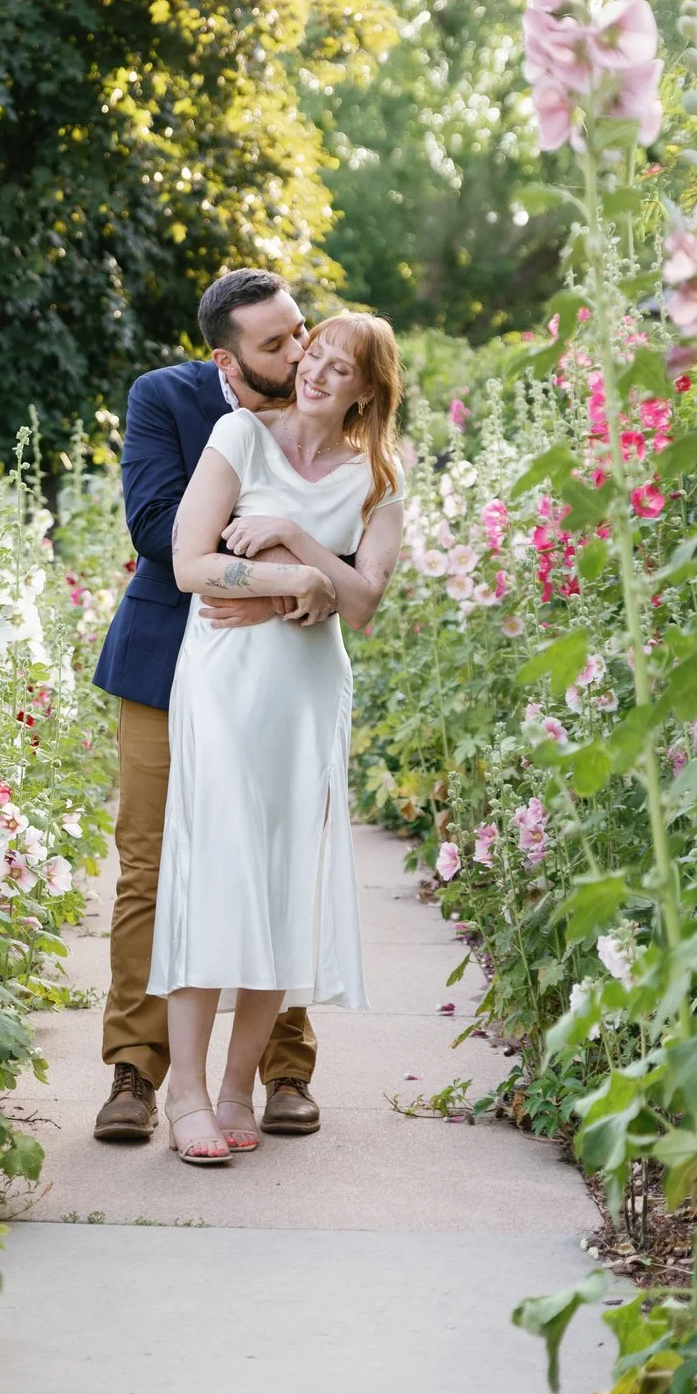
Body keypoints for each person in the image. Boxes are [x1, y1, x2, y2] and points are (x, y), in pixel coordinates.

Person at [150, 312, 405, 1164]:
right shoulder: (239, 436)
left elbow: (363, 605)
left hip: (306, 694)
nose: (316, 374)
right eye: (313, 357)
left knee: (282, 880)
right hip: (223, 681)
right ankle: (182, 1089)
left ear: (366, 389)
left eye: (339, 369)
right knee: (213, 868)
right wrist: (298, 583)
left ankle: (234, 1089)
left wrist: (297, 547)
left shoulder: (376, 479)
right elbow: (190, 564)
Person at [88, 271, 334, 1143]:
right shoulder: (166, 398)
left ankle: (286, 1069)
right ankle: (135, 1072)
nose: (301, 351)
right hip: (165, 665)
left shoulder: (331, 397)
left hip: (280, 670)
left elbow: (351, 539)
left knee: (280, 862)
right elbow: (158, 530)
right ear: (225, 358)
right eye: (276, 343)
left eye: (300, 329)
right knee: (152, 870)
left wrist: (280, 587)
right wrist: (270, 568)